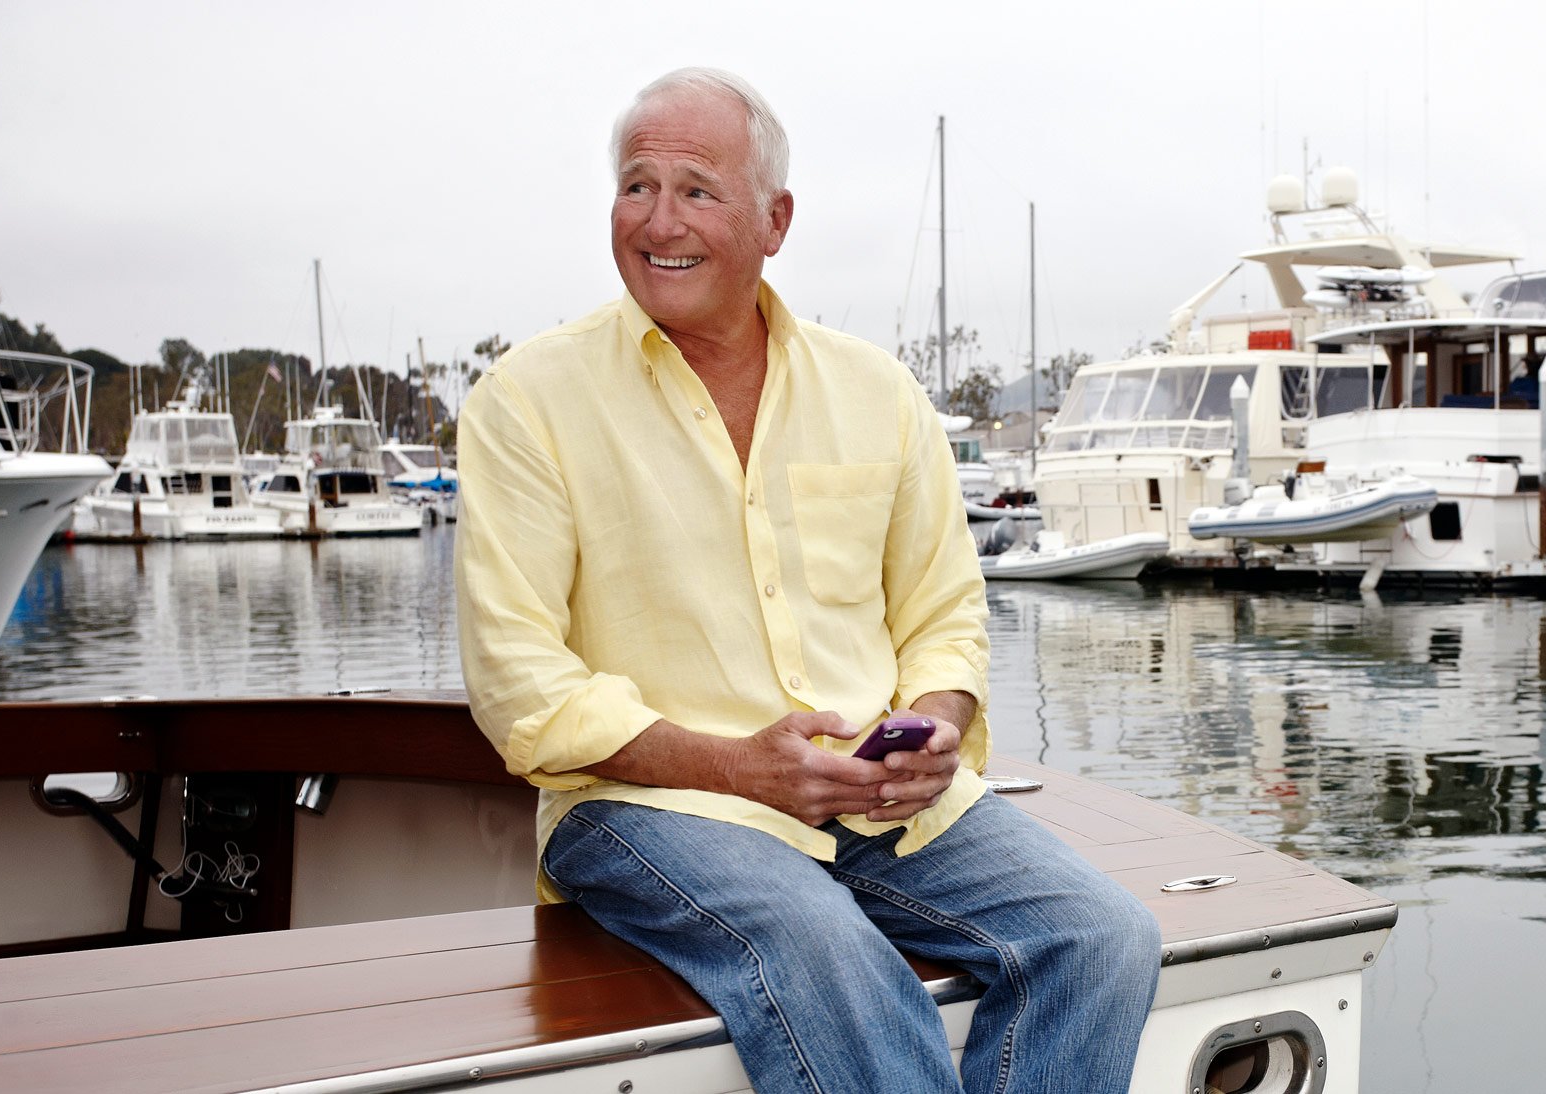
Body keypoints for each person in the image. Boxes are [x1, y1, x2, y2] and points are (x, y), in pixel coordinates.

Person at [455, 67, 1160, 1094]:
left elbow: (944, 613)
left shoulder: (877, 390)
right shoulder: (528, 400)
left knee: (1103, 936)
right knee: (828, 954)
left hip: (877, 795)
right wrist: (743, 767)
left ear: (773, 220)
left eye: (696, 189)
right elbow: (519, 683)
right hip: (642, 801)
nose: (659, 220)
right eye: (635, 184)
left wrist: (933, 723)